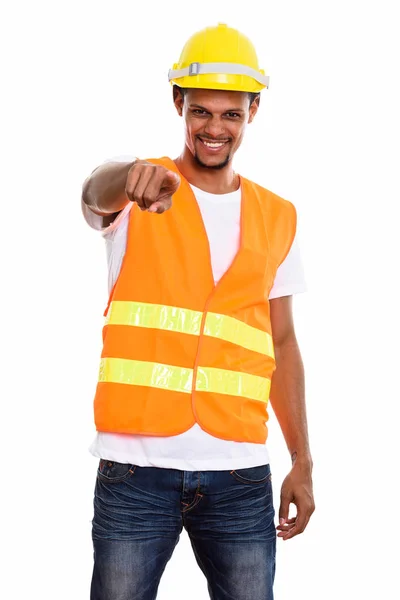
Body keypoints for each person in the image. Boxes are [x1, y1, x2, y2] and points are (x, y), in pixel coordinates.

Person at [82, 22, 315, 600]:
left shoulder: (277, 216)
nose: (214, 128)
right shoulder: (140, 186)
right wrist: (129, 179)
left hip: (239, 473)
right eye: (201, 111)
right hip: (135, 471)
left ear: (252, 112)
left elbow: (282, 343)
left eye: (230, 114)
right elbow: (93, 198)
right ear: (178, 104)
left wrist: (302, 459)